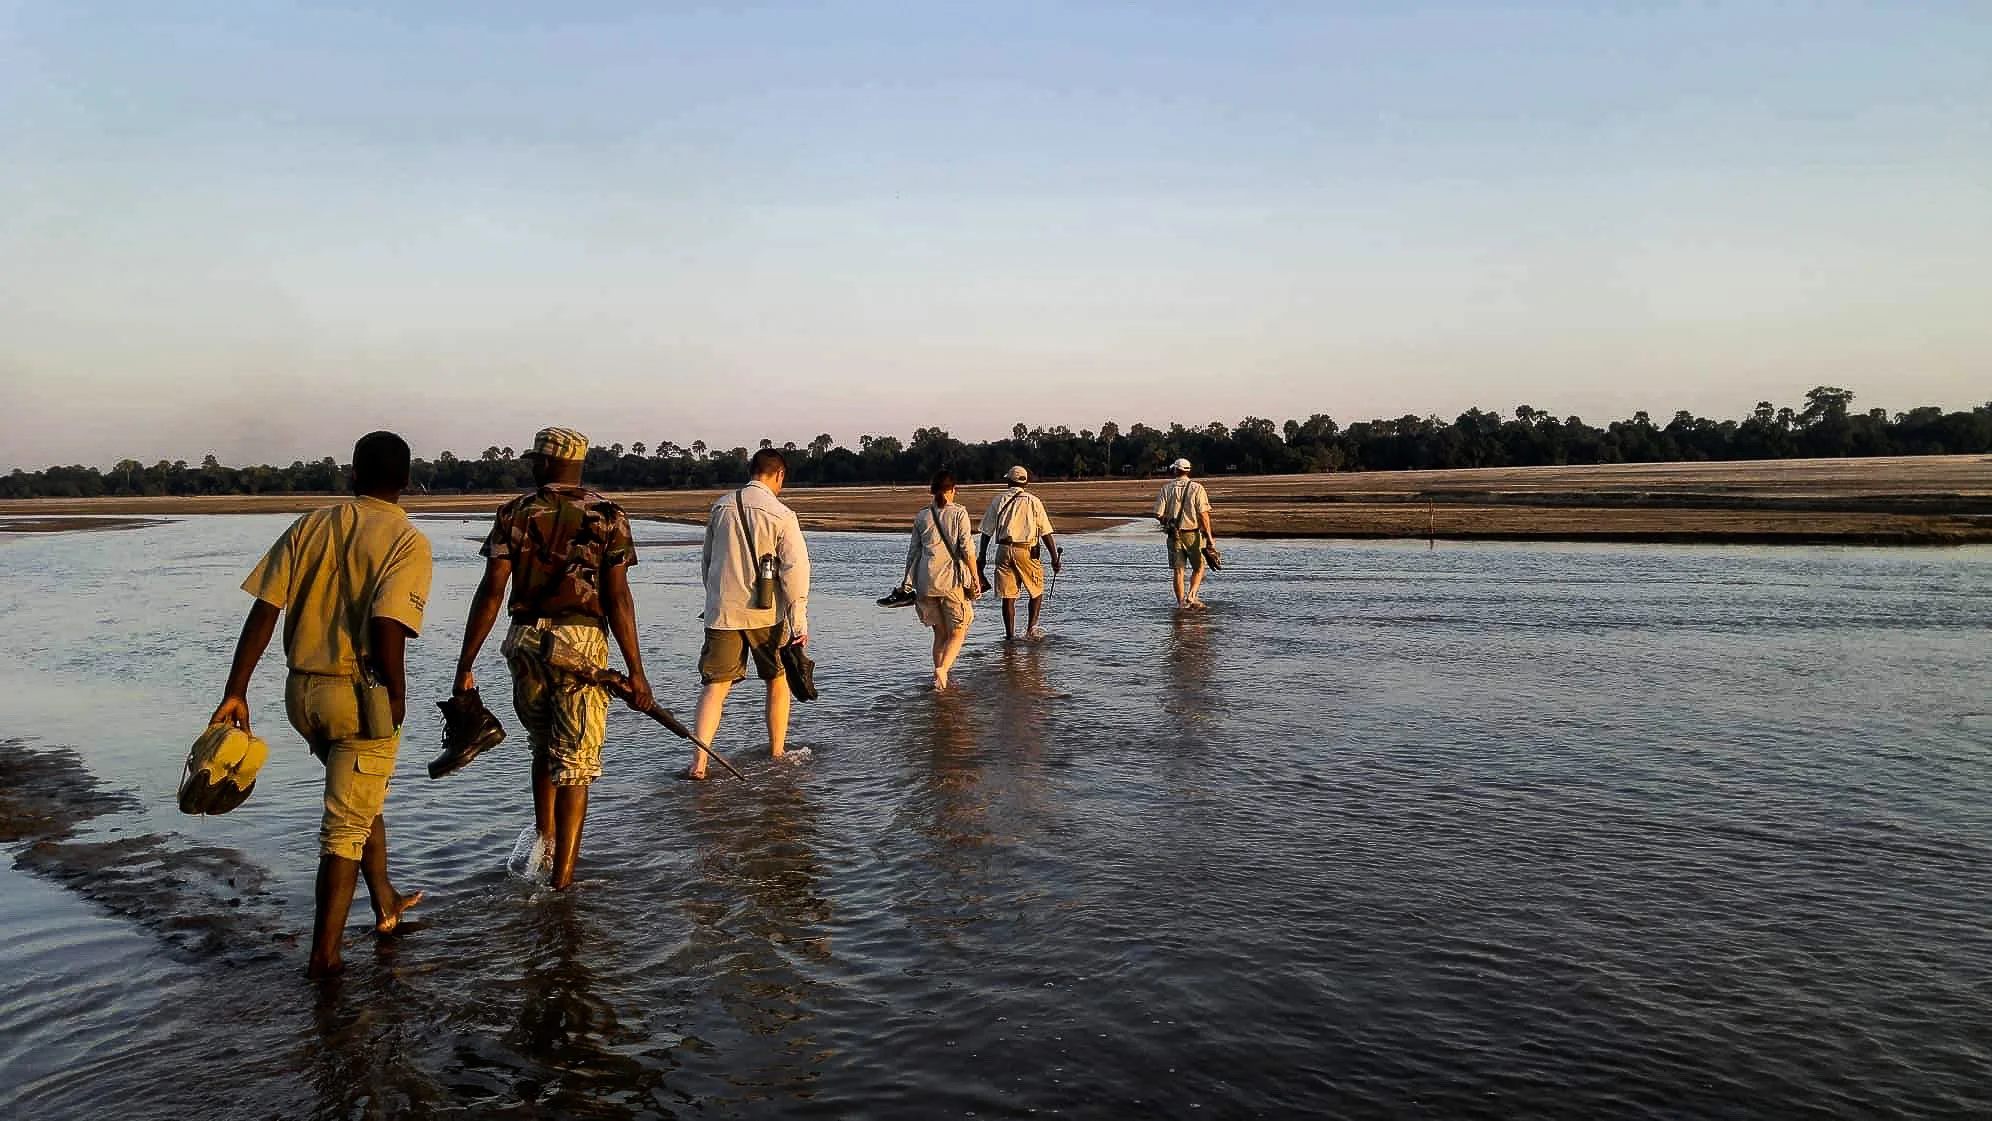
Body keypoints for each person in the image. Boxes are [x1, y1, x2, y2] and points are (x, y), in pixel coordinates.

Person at [208, 431, 432, 977]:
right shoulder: (407, 540)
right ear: (406, 481)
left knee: (357, 795)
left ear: (352, 474)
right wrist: (397, 695)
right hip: (359, 694)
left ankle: (385, 902)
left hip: (301, 694)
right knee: (344, 829)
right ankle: (324, 963)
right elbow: (387, 624)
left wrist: (235, 689)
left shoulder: (311, 523)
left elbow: (265, 609)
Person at [452, 426, 651, 891]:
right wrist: (637, 672)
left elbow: (491, 591)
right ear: (578, 466)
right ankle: (562, 883)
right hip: (581, 643)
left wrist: (465, 663)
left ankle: (545, 845)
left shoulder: (514, 513)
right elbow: (618, 597)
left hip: (524, 643)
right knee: (576, 761)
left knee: (543, 746)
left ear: (545, 463)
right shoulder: (607, 514)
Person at [687, 448, 811, 780]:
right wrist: (799, 619)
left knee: (715, 687)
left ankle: (699, 764)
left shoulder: (720, 507)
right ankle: (777, 752)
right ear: (779, 475)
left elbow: (707, 563)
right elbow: (795, 571)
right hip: (766, 614)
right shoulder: (782, 514)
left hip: (722, 612)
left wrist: (715, 599)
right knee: (777, 679)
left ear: (751, 470)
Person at [906, 470, 982, 690]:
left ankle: (939, 682)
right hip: (951, 581)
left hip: (925, 581)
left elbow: (913, 552)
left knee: (939, 633)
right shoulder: (959, 513)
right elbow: (967, 549)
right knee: (958, 631)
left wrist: (906, 582)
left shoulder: (922, 516)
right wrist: (975, 577)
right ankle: (943, 670)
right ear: (953, 490)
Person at [977, 465, 1061, 640]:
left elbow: (986, 532)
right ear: (1026, 482)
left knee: (1008, 597)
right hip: (1026, 551)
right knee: (1036, 591)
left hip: (1003, 550)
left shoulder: (998, 499)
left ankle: (1010, 637)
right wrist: (1054, 558)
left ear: (1008, 480)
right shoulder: (1033, 501)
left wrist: (982, 557)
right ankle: (1031, 630)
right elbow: (1046, 532)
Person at [1154, 457, 1215, 609]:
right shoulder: (1197, 488)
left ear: (1175, 470)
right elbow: (1204, 515)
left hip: (1174, 535)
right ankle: (1192, 595)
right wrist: (1210, 538)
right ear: (1188, 471)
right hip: (1193, 534)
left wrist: (1167, 523)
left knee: (1178, 571)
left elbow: (1158, 514)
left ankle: (1181, 603)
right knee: (1199, 567)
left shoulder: (1166, 488)